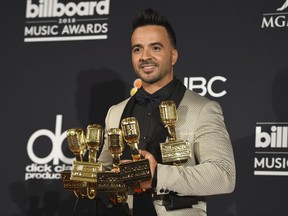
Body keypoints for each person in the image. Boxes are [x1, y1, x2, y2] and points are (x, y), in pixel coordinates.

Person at [98, 8, 236, 216]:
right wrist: (90, 175)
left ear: (173, 55)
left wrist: (157, 176)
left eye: (155, 47)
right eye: (137, 49)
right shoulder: (115, 112)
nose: (145, 56)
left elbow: (224, 175)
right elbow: (106, 169)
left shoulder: (203, 109)